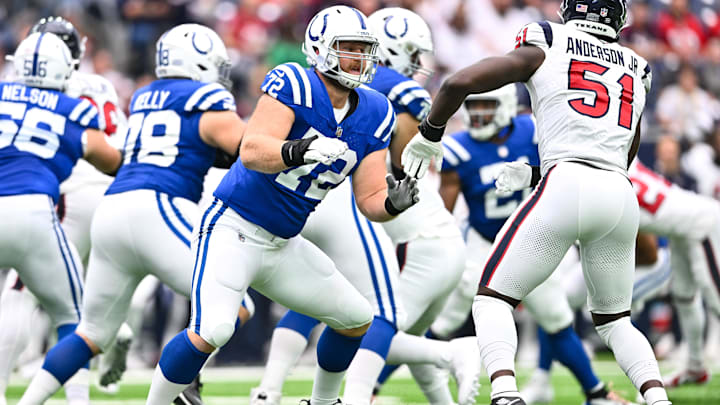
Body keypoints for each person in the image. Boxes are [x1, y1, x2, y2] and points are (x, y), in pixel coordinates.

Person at [399, 0, 671, 403]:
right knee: (616, 322)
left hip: (567, 183)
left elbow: (457, 83)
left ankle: (506, 394)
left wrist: (429, 134)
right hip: (618, 193)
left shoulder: (549, 38)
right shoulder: (636, 65)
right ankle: (656, 397)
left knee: (492, 299)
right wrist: (540, 173)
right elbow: (622, 151)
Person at [145, 6, 419, 405]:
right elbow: (253, 151)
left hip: (282, 243)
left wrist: (393, 204)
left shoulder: (376, 111)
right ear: (321, 50)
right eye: (350, 49)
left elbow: (370, 199)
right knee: (214, 328)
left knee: (355, 319)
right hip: (233, 227)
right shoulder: (295, 83)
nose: (360, 58)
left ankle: (323, 402)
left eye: (365, 49)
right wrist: (302, 149)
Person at [249, 8, 476, 405]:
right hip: (406, 226)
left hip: (332, 204)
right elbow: (409, 163)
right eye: (415, 54)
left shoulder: (322, 83)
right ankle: (436, 361)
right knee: (373, 315)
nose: (419, 65)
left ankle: (272, 389)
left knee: (335, 305)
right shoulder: (394, 93)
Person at [17, 23, 250, 405]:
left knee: (90, 333)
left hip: (111, 209)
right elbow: (246, 149)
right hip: (158, 206)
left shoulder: (144, 95)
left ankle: (28, 402)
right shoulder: (205, 95)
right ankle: (181, 381)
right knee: (236, 303)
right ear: (198, 62)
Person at [436, 87, 635, 405]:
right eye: (473, 106)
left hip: (529, 240)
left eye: (487, 105)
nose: (477, 114)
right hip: (479, 245)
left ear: (506, 107)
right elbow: (444, 209)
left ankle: (595, 393)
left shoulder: (531, 132)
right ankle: (375, 389)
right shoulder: (459, 147)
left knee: (556, 318)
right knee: (442, 322)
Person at [0, 17, 129, 404]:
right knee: (77, 316)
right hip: (64, 206)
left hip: (59, 202)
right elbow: (110, 157)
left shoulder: (5, 93)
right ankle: (79, 396)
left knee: (17, 297)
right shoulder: (82, 97)